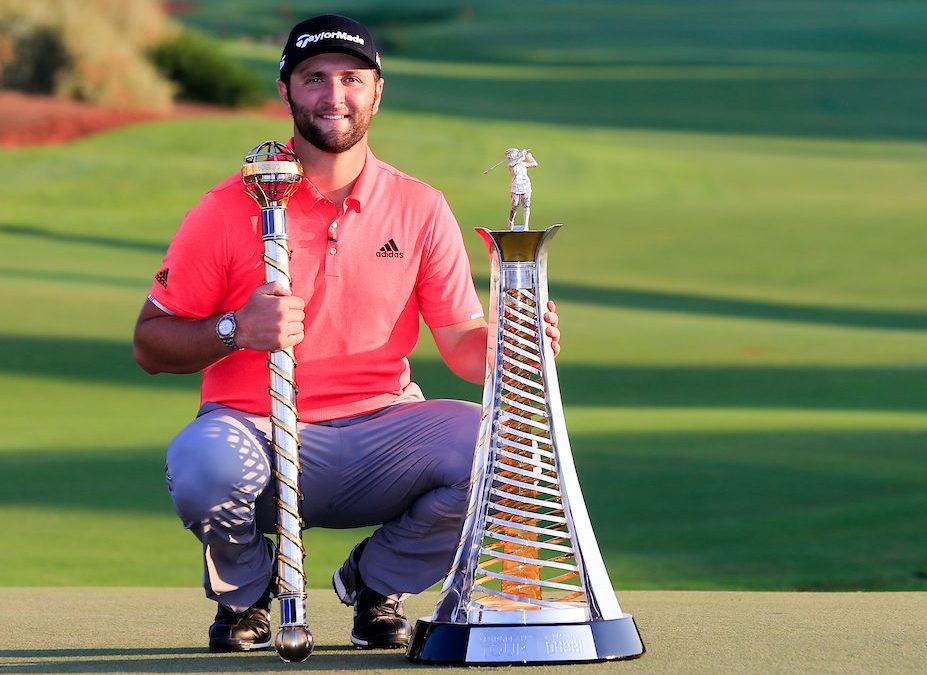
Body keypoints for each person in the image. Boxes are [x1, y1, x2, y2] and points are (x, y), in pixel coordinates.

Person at [133, 13, 560, 653]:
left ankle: (376, 582)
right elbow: (150, 343)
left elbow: (462, 347)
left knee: (500, 451)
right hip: (254, 431)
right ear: (285, 92)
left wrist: (513, 344)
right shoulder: (229, 206)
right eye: (314, 79)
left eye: (352, 79)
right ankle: (246, 593)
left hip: (382, 432)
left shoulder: (419, 206)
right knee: (201, 464)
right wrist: (235, 329)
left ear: (377, 92)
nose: (334, 96)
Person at [506, 147, 537, 228]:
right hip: (516, 186)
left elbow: (534, 164)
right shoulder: (511, 164)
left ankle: (526, 225)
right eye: (514, 153)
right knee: (514, 205)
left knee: (526, 204)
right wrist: (522, 155)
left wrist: (529, 156)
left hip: (525, 185)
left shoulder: (523, 164)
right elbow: (516, 161)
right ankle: (511, 220)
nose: (516, 154)